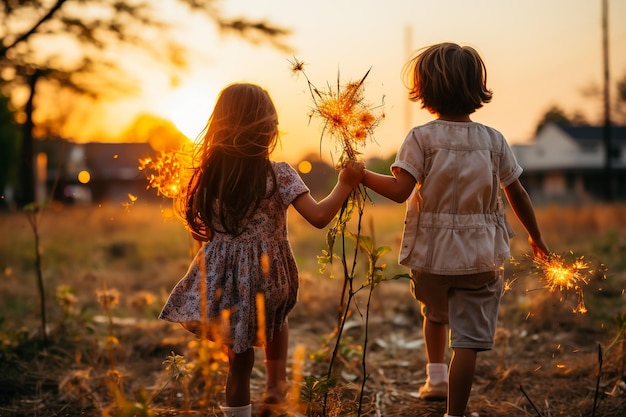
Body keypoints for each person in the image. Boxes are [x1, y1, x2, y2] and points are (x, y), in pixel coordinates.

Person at [361, 43, 549, 417]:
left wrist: (360, 176)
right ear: (476, 87)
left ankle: (435, 379)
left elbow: (399, 192)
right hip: (480, 256)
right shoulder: (494, 140)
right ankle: (455, 413)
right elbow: (518, 193)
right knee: (466, 343)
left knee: (435, 312)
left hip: (431, 256)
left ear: (425, 90)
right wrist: (536, 236)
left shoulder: (420, 138)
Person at [159, 83, 364, 417]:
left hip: (225, 279)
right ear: (268, 127)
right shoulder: (279, 174)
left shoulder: (209, 177)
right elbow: (320, 216)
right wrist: (345, 184)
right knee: (276, 318)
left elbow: (203, 230)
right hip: (272, 276)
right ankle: (275, 387)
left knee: (238, 363)